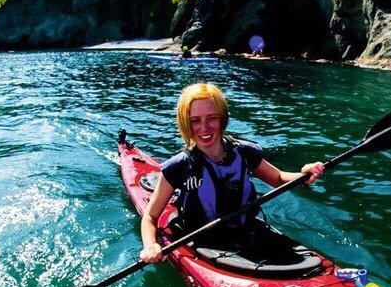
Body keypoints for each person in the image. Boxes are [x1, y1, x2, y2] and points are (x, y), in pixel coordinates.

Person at [139, 82, 324, 263]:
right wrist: (151, 245)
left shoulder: (244, 152)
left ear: (222, 119)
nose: (204, 127)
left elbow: (278, 178)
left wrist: (303, 176)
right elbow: (150, 216)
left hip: (245, 233)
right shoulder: (179, 166)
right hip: (202, 242)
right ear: (186, 124)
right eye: (195, 120)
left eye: (212, 118)